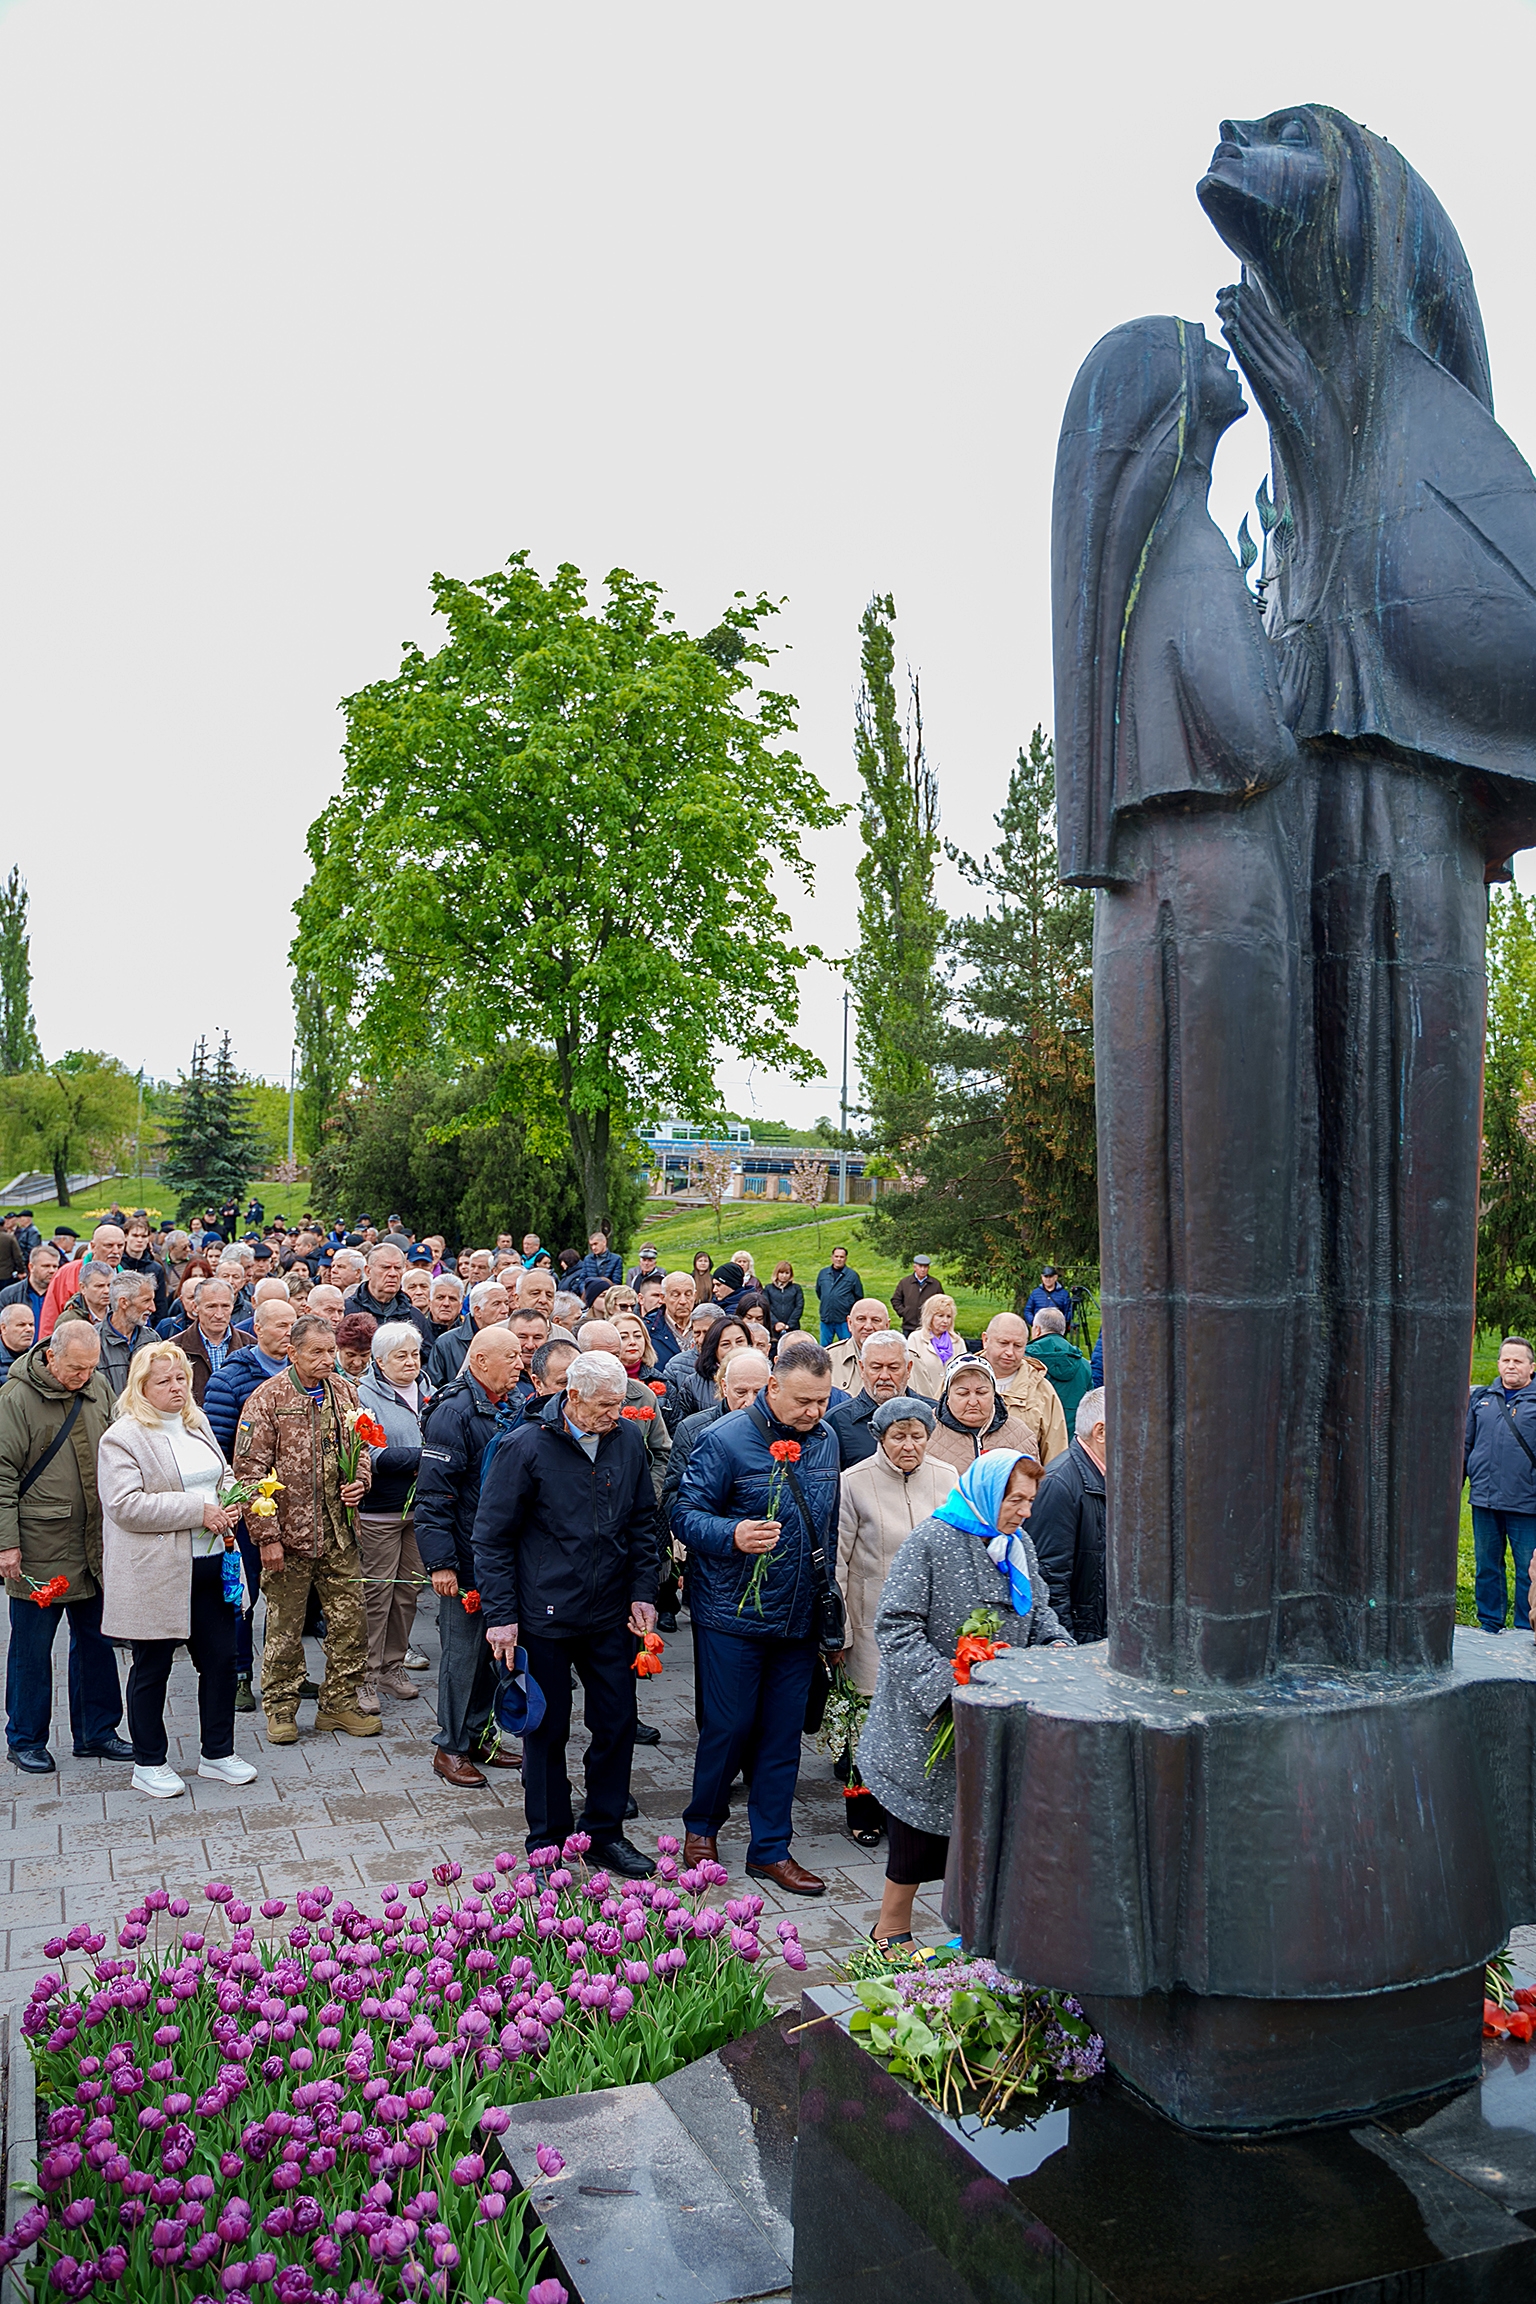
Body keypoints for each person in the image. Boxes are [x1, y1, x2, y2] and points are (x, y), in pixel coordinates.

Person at [857, 1449, 1071, 1953]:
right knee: (916, 1832)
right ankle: (889, 1932)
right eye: (1014, 1499)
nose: (1024, 1512)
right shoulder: (932, 1541)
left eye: (1029, 1501)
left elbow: (1038, 1611)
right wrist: (946, 1690)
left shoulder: (1018, 1545)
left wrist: (1057, 1647)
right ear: (987, 1492)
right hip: (926, 1720)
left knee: (981, 1832)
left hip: (992, 1717)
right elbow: (897, 1625)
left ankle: (973, 1936)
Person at [476, 1350, 660, 1876]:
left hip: (611, 1614)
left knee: (617, 1723)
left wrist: (644, 1591)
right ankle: (549, 1841)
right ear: (572, 1397)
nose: (615, 1415)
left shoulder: (625, 1440)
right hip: (544, 1614)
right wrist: (502, 1616)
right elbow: (491, 1538)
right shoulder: (526, 1446)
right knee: (546, 1729)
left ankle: (604, 1832)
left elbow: (644, 1522)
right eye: (605, 1405)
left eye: (621, 1404)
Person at [676, 1335, 840, 1895]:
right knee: (729, 1726)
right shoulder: (723, 1440)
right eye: (802, 1402)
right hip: (732, 1612)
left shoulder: (827, 1440)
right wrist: (733, 1534)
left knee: (782, 1736)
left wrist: (827, 1606)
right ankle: (702, 1826)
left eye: (822, 1400)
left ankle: (771, 1847)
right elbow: (683, 1514)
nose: (814, 1413)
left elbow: (829, 1528)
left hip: (797, 1617)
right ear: (772, 1388)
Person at [98, 1341, 257, 1798]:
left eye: (181, 1378)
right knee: (153, 1668)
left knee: (222, 1664)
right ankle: (149, 1762)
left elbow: (221, 1473)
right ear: (141, 1386)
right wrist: (200, 1510)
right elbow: (125, 1506)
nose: (176, 1387)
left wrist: (233, 1497)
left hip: (214, 1564)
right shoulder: (123, 1436)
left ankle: (218, 1753)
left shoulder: (197, 1421)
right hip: (160, 1572)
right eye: (164, 1380)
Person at [230, 1312, 375, 1744]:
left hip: (339, 1533)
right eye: (318, 1351)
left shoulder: (345, 1392)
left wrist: (359, 1481)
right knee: (284, 1629)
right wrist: (267, 1537)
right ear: (292, 1352)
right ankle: (281, 1708)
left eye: (331, 1350)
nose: (328, 1359)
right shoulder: (267, 1399)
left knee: (351, 1623)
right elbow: (249, 1474)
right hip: (289, 1539)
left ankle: (339, 1705)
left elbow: (362, 1447)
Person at [0, 1320, 131, 1772]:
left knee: (96, 1641)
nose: (85, 1376)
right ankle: (25, 1738)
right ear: (51, 1357)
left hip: (93, 1543)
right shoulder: (15, 1399)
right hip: (40, 1549)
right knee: (32, 1649)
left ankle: (98, 1732)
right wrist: (6, 1546)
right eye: (76, 1369)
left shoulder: (97, 1388)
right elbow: (1, 1476)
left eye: (91, 1368)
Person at [414, 1327, 527, 1786]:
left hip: (501, 1554)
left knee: (491, 1653)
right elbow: (433, 1495)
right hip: (464, 1557)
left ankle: (480, 1734)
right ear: (480, 1362)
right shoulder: (453, 1412)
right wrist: (441, 1562)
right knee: (461, 1655)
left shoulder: (511, 1403)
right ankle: (450, 1747)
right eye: (512, 1355)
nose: (521, 1362)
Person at [355, 1321, 431, 1709]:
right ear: (379, 1360)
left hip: (423, 1510)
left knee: (407, 1593)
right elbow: (367, 1454)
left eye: (414, 1353)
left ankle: (392, 1666)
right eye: (400, 1355)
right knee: (377, 1593)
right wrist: (420, 1458)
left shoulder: (430, 1390)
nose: (409, 1362)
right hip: (381, 1510)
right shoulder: (363, 1395)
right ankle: (364, 1675)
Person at [1026, 1387, 1108, 1644]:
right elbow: (1049, 1578)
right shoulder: (1058, 1484)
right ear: (1101, 1432)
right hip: (1081, 1641)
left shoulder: (1110, 1474)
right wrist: (1065, 1646)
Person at [1466, 1338, 1536, 1633]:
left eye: (1518, 1361)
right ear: (1498, 1364)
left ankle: (1524, 1629)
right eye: (1506, 1360)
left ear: (1531, 1368)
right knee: (1486, 1568)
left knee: (1528, 1573)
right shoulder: (1482, 1399)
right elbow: (1465, 1446)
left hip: (1526, 1504)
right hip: (1484, 1500)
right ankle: (1489, 1624)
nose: (1511, 1366)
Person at [926, 1357, 1045, 1477]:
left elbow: (1034, 1488)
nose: (973, 1401)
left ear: (994, 1394)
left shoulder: (1021, 1434)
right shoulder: (925, 1431)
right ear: (948, 1397)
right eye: (963, 1393)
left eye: (981, 1392)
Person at [977, 1314, 1069, 1466]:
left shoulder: (1043, 1391)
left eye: (1018, 1346)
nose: (1010, 1352)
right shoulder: (957, 1380)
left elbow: (1056, 1453)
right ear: (986, 1340)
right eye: (1003, 1343)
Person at [827, 1330, 917, 1467]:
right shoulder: (837, 1421)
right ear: (862, 1368)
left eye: (893, 1368)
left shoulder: (932, 1414)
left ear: (908, 1369)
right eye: (876, 1368)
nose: (884, 1376)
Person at [37, 1222, 126, 1340]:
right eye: (109, 1246)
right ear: (93, 1247)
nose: (115, 1251)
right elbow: (50, 1317)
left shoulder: (126, 1280)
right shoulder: (67, 1273)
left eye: (120, 1246)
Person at [173, 1278, 249, 1407]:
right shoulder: (175, 1348)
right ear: (195, 1307)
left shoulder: (250, 1345)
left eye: (225, 1306)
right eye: (211, 1307)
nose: (219, 1314)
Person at [665, 1315, 750, 1428]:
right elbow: (683, 1429)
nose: (734, 1348)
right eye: (725, 1344)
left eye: (740, 1341)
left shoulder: (764, 1378)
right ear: (714, 1349)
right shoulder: (693, 1384)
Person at [345, 1241, 433, 1349]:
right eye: (385, 1267)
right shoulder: (347, 1312)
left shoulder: (415, 1317)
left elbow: (426, 1359)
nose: (393, 1274)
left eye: (397, 1268)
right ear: (368, 1271)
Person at [427, 1279, 510, 1387]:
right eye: (496, 1304)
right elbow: (436, 1389)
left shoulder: (513, 1339)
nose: (505, 1310)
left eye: (506, 1303)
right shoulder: (446, 1344)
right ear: (477, 1311)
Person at [91, 1272, 159, 1398]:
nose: (152, 1308)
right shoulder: (92, 1340)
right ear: (124, 1302)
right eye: (146, 1301)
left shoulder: (152, 1339)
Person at [1026, 1306, 1094, 1427]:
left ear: (1037, 1330)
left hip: (1035, 1434)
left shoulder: (1025, 1360)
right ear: (1062, 1330)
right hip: (1073, 1439)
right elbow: (1089, 1407)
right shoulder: (1084, 1365)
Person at [827, 1299, 896, 1395]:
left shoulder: (904, 1359)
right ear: (850, 1323)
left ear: (887, 1325)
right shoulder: (828, 1359)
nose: (868, 1326)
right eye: (861, 1319)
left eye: (875, 1320)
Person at [905, 1294, 969, 1398]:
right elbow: (912, 1376)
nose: (945, 1321)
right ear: (930, 1316)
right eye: (940, 1316)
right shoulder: (915, 1339)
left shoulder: (958, 1342)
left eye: (948, 1316)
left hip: (950, 1401)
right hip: (922, 1399)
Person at [0, 1242, 61, 1340]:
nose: (52, 1270)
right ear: (31, 1267)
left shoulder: (63, 1296)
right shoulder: (8, 1296)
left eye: (55, 1266)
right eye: (46, 1266)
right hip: (18, 1354)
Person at [119, 1217, 170, 1325]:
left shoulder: (156, 1268)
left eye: (144, 1236)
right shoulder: (117, 1265)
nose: (140, 1240)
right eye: (135, 1235)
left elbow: (160, 1304)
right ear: (126, 1236)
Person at [646, 1270, 699, 1371]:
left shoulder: (707, 1326)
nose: (683, 1301)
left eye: (688, 1294)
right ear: (662, 1298)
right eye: (676, 1295)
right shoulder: (649, 1330)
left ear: (695, 1296)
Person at [814, 1247, 863, 1345]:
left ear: (845, 1259)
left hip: (844, 1319)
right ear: (832, 1257)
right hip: (826, 1318)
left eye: (841, 1257)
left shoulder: (852, 1276)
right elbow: (819, 1292)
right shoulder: (823, 1273)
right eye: (836, 1256)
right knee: (824, 1348)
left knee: (847, 1346)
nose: (839, 1259)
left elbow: (859, 1297)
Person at [891, 1255, 942, 1337]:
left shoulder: (935, 1284)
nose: (923, 1269)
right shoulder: (905, 1283)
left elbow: (941, 1303)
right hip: (909, 1326)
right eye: (920, 1266)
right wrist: (905, 1312)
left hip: (928, 1326)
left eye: (925, 1267)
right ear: (914, 1267)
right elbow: (896, 1300)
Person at [765, 1261, 804, 1347]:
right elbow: (766, 1307)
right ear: (777, 1273)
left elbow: (799, 1306)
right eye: (781, 1272)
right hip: (774, 1329)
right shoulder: (768, 1289)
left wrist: (789, 1325)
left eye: (787, 1273)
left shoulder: (796, 1288)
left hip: (792, 1328)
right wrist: (775, 1323)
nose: (784, 1275)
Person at [334, 1312, 377, 1381]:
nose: (357, 1363)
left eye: (364, 1355)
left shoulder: (383, 1372)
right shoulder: (326, 1374)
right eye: (350, 1355)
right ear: (337, 1348)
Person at [0, 1301, 37, 1373]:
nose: (29, 1329)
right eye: (21, 1325)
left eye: (31, 1324)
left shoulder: (38, 1358)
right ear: (4, 1328)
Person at [428, 1274, 466, 1343]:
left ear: (460, 1306)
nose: (446, 1304)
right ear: (430, 1303)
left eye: (452, 1299)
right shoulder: (418, 1332)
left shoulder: (469, 1335)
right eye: (440, 1298)